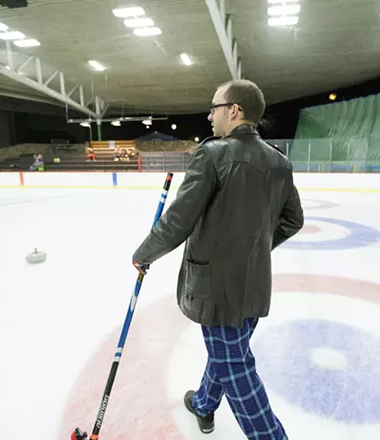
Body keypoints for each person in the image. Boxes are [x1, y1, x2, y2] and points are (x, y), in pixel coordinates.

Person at [131, 79, 304, 439]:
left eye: (215, 108)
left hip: (216, 288)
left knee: (236, 365)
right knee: (229, 353)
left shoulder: (212, 155)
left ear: (234, 110)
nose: (210, 116)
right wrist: (256, 249)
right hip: (254, 282)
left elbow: (180, 219)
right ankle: (204, 404)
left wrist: (144, 254)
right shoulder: (279, 161)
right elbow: (293, 220)